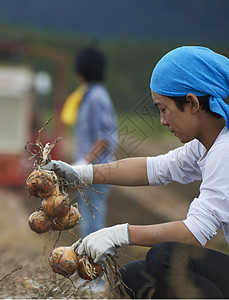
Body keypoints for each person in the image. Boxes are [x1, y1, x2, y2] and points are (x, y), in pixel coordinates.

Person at [43, 46, 229, 298]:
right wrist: (81, 173)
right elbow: (153, 168)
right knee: (130, 278)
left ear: (192, 103)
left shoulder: (224, 151)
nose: (163, 121)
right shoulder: (205, 146)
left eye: (164, 109)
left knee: (164, 257)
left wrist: (119, 233)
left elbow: (192, 234)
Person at [60, 45, 118, 237]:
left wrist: (83, 164)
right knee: (87, 225)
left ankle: (98, 267)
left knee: (92, 229)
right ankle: (92, 265)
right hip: (90, 171)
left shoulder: (96, 98)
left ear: (80, 70)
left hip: (96, 171)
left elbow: (105, 139)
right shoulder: (88, 95)